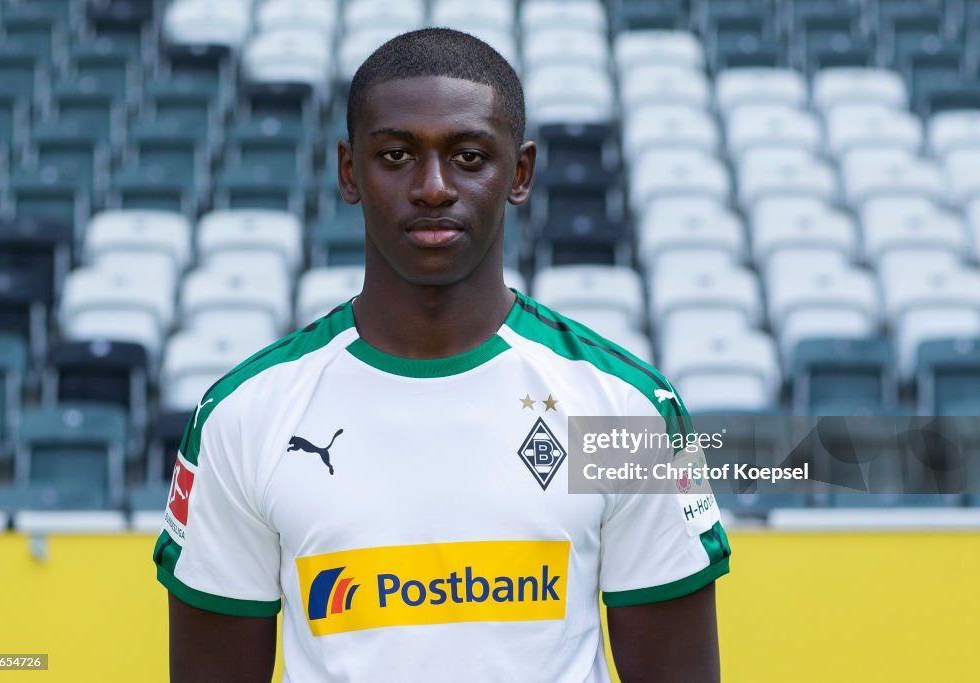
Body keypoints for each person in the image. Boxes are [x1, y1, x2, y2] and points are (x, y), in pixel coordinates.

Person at [154, 28, 730, 683]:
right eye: (397, 155)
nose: (432, 187)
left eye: (469, 156)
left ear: (520, 173)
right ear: (349, 171)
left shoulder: (626, 411)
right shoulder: (242, 416)